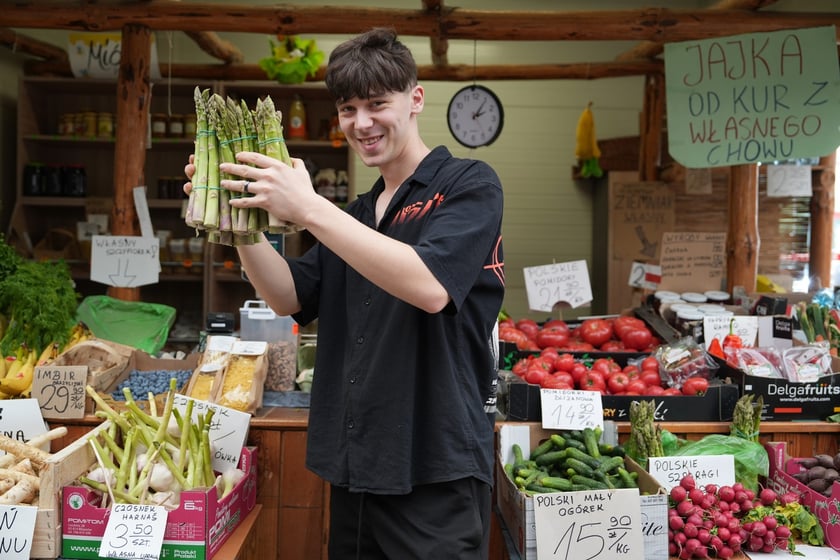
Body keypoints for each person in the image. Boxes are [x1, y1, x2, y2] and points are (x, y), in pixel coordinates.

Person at [185, 27, 505, 559]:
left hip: (435, 467)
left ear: (415, 99)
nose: (362, 123)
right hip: (356, 466)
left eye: (378, 104)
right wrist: (238, 223)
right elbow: (289, 296)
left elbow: (429, 286)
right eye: (348, 109)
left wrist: (310, 208)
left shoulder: (469, 184)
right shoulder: (355, 214)